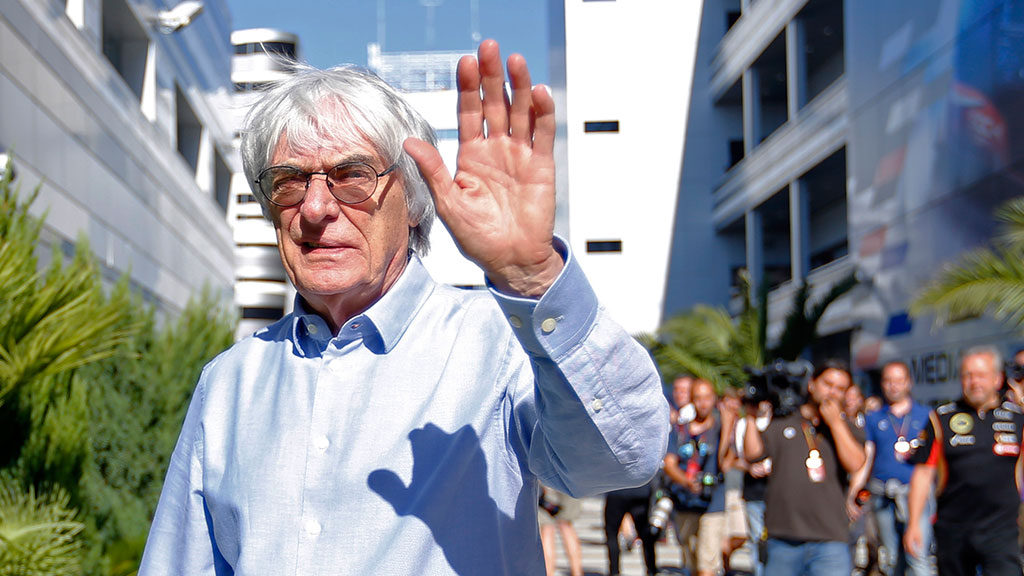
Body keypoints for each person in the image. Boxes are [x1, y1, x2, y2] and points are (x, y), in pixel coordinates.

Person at [137, 40, 669, 575]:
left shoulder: (500, 343)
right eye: (289, 182)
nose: (316, 208)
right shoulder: (230, 381)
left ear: (414, 202)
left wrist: (534, 278)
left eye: (352, 175)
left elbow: (621, 459)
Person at [905, 346, 1024, 576]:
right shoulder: (941, 418)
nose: (974, 382)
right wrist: (913, 524)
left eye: (981, 375)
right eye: (968, 375)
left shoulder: (1017, 418)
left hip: (1001, 529)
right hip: (954, 529)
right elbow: (923, 473)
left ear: (997, 379)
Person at [744, 359, 866, 576]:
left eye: (840, 389)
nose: (832, 392)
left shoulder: (846, 427)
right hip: (784, 538)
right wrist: (751, 417)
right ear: (811, 384)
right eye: (828, 384)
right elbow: (753, 454)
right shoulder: (785, 420)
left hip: (829, 539)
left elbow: (856, 463)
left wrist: (835, 423)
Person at [848, 361, 932, 576]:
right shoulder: (874, 417)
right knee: (891, 558)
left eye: (899, 381)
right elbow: (867, 457)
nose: (894, 386)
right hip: (883, 494)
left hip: (914, 494)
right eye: (888, 381)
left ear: (908, 383)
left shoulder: (925, 415)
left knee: (917, 556)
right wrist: (854, 490)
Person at [664, 379, 726, 576]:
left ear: (714, 399)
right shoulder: (680, 430)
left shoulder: (720, 428)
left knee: (706, 563)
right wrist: (686, 481)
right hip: (685, 500)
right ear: (691, 400)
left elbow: (726, 462)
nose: (703, 403)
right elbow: (669, 463)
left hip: (712, 503)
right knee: (690, 559)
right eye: (698, 398)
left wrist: (728, 426)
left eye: (707, 398)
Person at [604, 483, 659, 576]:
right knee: (645, 534)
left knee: (612, 533)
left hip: (617, 491)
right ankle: (651, 569)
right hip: (640, 490)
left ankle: (614, 571)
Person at [539, 487, 584, 576]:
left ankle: (549, 573)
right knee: (566, 525)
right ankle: (577, 572)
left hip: (545, 482)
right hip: (569, 482)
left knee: (547, 529)